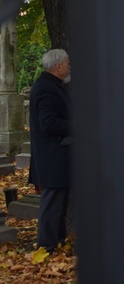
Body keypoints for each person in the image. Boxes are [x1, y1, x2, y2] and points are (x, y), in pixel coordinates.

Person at [29, 49, 72, 253]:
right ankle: (46, 247)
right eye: (67, 63)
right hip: (52, 158)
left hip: (56, 158)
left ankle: (58, 242)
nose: (69, 66)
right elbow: (48, 123)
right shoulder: (47, 88)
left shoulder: (52, 85)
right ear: (58, 66)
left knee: (59, 205)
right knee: (52, 205)